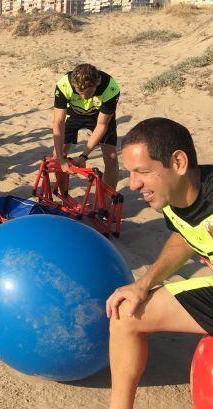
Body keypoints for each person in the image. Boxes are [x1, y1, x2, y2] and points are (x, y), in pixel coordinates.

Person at [106, 118, 213, 409]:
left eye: (143, 171)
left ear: (178, 162)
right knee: (126, 314)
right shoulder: (173, 197)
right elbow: (184, 235)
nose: (133, 184)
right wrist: (143, 285)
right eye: (130, 172)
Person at [53, 63, 120, 189]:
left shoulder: (110, 87)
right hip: (73, 113)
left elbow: (102, 125)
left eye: (88, 92)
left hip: (98, 115)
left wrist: (84, 156)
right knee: (58, 155)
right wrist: (61, 161)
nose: (83, 97)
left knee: (111, 158)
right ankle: (63, 196)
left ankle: (107, 202)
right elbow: (58, 123)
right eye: (79, 93)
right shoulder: (64, 84)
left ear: (97, 83)